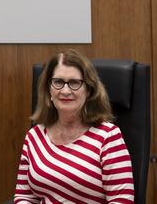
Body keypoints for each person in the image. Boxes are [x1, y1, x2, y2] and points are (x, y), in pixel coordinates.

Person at [13, 49, 134, 204]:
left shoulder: (108, 137)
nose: (65, 90)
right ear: (49, 89)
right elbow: (25, 196)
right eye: (58, 82)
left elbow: (122, 200)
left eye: (74, 83)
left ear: (89, 90)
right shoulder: (34, 136)